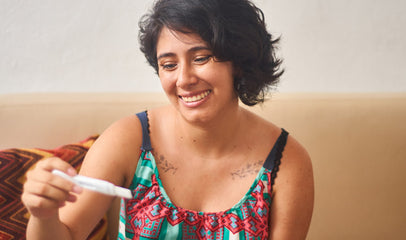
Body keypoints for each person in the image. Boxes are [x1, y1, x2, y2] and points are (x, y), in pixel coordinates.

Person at [21, 0, 314, 239]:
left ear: (238, 61)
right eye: (169, 65)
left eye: (201, 58)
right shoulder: (131, 138)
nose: (184, 80)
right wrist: (43, 214)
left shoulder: (287, 162)